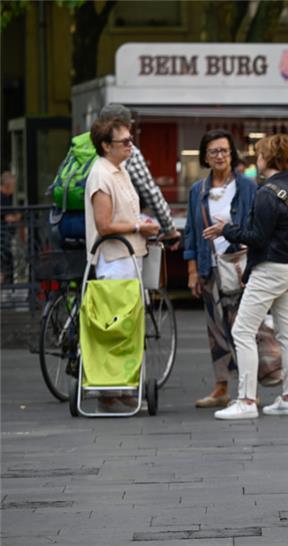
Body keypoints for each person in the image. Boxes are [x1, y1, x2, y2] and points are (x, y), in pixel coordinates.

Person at [204, 135, 288, 420]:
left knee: (242, 331)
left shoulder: (266, 192)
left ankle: (247, 400)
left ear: (268, 158)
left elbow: (257, 238)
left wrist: (227, 229)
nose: (256, 160)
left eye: (259, 155)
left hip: (270, 269)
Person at [85, 118, 160, 413]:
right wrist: (138, 227)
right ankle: (108, 393)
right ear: (106, 146)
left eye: (131, 140)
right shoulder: (101, 174)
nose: (131, 145)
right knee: (115, 325)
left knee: (128, 325)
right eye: (124, 141)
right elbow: (104, 225)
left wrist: (141, 224)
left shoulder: (120, 171)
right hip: (114, 259)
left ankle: (121, 389)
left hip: (128, 257)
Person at [184, 129, 257, 408]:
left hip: (240, 265)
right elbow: (191, 232)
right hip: (209, 265)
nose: (219, 156)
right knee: (216, 329)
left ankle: (247, 388)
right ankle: (221, 386)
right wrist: (192, 270)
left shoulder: (247, 187)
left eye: (224, 151)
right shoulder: (197, 191)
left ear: (232, 154)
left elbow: (255, 227)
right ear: (205, 156)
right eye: (213, 151)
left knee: (243, 327)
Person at [95, 104, 180, 245]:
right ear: (127, 125)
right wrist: (170, 229)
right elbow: (150, 191)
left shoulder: (88, 146)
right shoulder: (128, 151)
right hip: (117, 242)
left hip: (87, 235)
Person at [1, 171, 21, 284]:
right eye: (13, 186)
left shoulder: (7, 197)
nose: (14, 189)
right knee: (5, 260)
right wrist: (18, 217)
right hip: (2, 237)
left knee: (7, 259)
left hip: (5, 237)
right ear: (8, 185)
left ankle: (9, 285)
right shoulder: (2, 198)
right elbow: (7, 217)